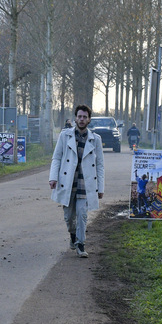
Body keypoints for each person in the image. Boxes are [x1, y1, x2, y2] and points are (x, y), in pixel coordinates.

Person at [49, 104, 105, 258]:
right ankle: (73, 236)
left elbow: (100, 165)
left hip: (85, 184)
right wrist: (53, 177)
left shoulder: (96, 140)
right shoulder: (65, 136)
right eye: (79, 116)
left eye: (84, 117)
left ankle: (81, 244)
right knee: (68, 216)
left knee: (81, 214)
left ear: (89, 120)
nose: (81, 119)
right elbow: (57, 157)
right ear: (75, 118)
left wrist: (100, 188)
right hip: (67, 182)